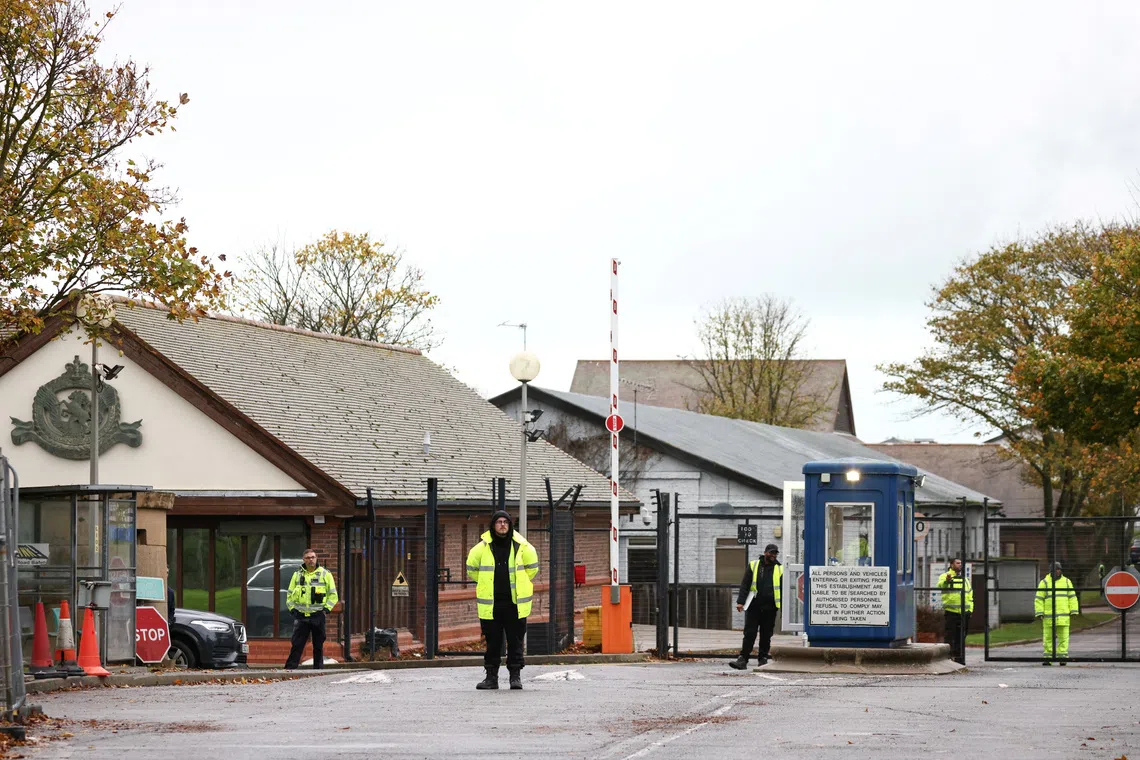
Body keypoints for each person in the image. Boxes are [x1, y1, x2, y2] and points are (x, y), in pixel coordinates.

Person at [466, 510, 539, 690]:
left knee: (515, 642)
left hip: (515, 604)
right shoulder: (481, 548)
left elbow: (532, 569)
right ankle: (492, 678)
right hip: (491, 604)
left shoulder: (522, 546)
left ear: (510, 524)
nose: (502, 525)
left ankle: (515, 677)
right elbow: (472, 569)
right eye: (498, 522)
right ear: (493, 525)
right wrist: (485, 582)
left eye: (505, 522)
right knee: (493, 642)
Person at [729, 543, 782, 670]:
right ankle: (743, 659)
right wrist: (740, 601)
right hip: (754, 605)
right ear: (765, 553)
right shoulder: (754, 565)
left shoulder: (779, 568)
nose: (773, 555)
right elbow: (745, 584)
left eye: (775, 553)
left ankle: (763, 659)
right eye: (771, 553)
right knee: (749, 633)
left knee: (766, 634)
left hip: (770, 607)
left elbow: (783, 588)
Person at [284, 548, 339, 670]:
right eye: (308, 558)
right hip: (301, 615)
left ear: (316, 558)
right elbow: (289, 594)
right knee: (297, 644)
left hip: (317, 615)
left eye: (313, 557)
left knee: (318, 645)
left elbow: (333, 595)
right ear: (303, 560)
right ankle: (290, 669)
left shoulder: (325, 574)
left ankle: (318, 669)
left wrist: (326, 609)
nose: (311, 560)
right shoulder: (297, 575)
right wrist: (293, 609)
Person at [1035, 561, 1079, 666]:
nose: (1058, 571)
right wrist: (1040, 612)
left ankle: (1062, 657)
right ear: (1051, 571)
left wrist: (1074, 610)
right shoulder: (1044, 582)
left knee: (1063, 637)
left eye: (1059, 569)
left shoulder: (1067, 582)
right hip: (1048, 616)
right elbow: (1039, 599)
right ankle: (1048, 657)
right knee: (1048, 638)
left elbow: (1072, 597)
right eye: (1056, 569)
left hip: (1063, 616)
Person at [937, 558, 973, 665]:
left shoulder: (965, 579)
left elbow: (970, 595)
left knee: (961, 636)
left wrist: (970, 610)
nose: (960, 565)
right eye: (957, 563)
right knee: (950, 636)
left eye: (961, 563)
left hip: (964, 612)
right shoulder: (946, 576)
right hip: (951, 611)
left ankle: (960, 660)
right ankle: (947, 659)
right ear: (951, 564)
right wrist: (947, 581)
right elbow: (940, 585)